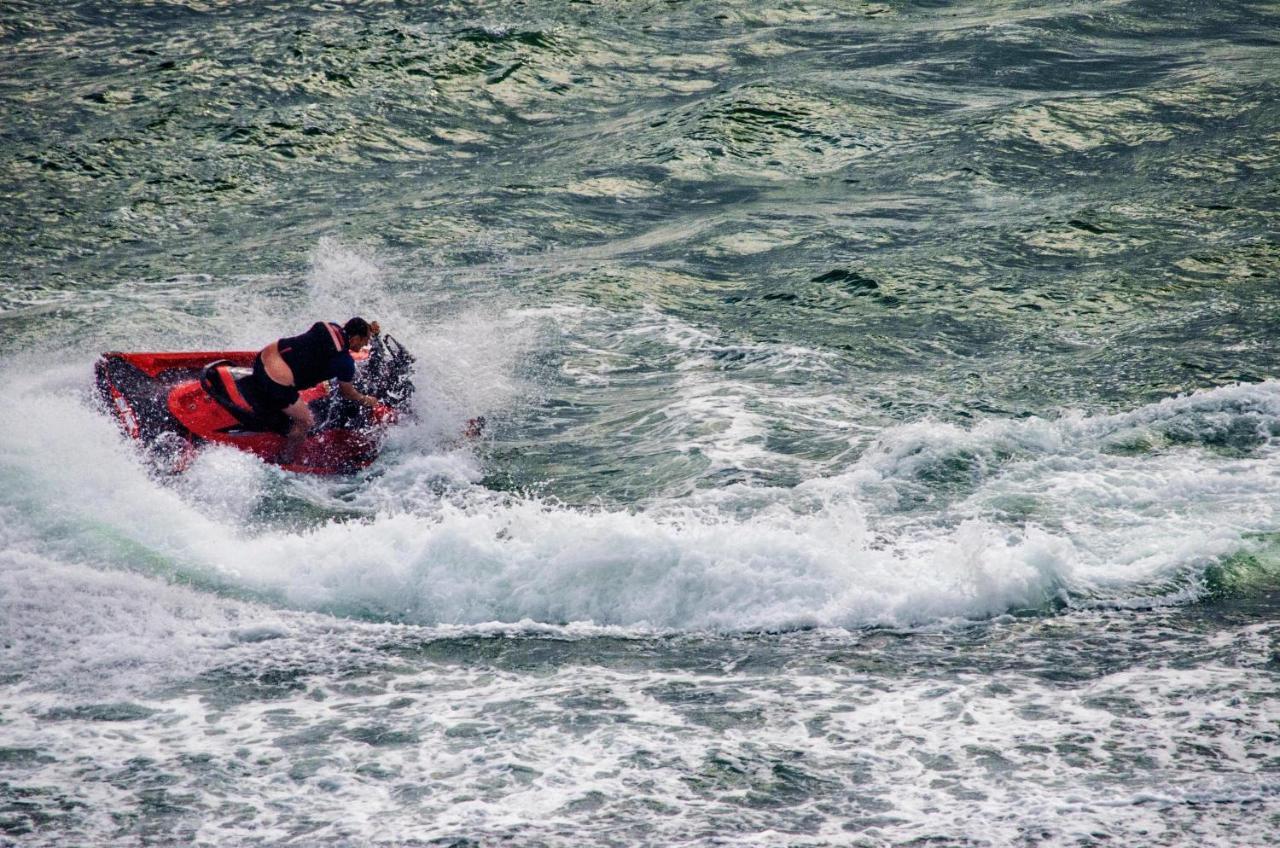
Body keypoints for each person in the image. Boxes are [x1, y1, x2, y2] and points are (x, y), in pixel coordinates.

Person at [249, 317, 383, 463]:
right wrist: (368, 400)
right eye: (366, 340)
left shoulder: (329, 326)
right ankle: (287, 458)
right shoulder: (344, 362)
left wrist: (369, 329)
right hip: (273, 381)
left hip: (265, 356)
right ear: (356, 338)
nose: (366, 344)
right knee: (306, 421)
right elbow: (348, 393)